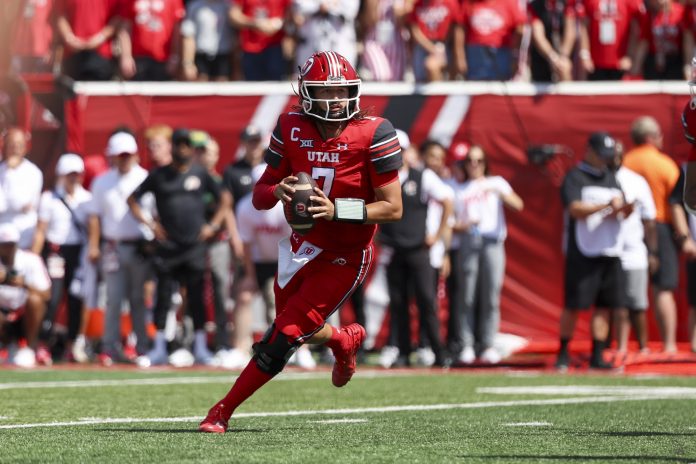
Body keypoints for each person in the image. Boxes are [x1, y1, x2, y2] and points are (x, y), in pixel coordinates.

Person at [199, 51, 403, 433]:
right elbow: (260, 196)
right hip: (301, 247)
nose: (337, 100)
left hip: (346, 252)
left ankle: (221, 411)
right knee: (294, 326)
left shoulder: (374, 132)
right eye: (327, 93)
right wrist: (278, 189)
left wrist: (336, 210)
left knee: (283, 336)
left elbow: (392, 208)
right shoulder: (291, 125)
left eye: (343, 91)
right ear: (307, 95)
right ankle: (342, 340)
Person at [128, 128, 231, 366]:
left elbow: (225, 198)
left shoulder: (200, 173)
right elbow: (133, 199)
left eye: (187, 145)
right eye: (179, 144)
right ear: (172, 147)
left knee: (196, 298)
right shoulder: (159, 175)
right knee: (163, 297)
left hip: (194, 246)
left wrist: (213, 226)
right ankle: (159, 348)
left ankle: (201, 347)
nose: (183, 149)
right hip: (167, 246)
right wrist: (151, 224)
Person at [556, 132, 629, 370]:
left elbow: (622, 207)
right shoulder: (575, 177)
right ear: (589, 151)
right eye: (601, 155)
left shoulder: (611, 177)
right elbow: (575, 208)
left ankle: (597, 354)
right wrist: (606, 206)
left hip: (610, 249)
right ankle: (563, 351)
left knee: (604, 305)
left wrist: (625, 208)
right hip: (584, 251)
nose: (605, 160)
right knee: (574, 304)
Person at [623, 116, 695, 353]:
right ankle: (669, 345)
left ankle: (624, 345)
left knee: (625, 289)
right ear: (650, 137)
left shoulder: (625, 162)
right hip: (660, 227)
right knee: (663, 288)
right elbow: (677, 201)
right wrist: (683, 235)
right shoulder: (664, 164)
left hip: (629, 228)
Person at [379, 137, 453, 368]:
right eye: (393, 149)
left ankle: (437, 351)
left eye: (400, 149)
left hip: (418, 249)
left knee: (426, 301)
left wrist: (437, 234)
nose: (397, 153)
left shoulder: (423, 176)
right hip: (393, 249)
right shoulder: (382, 178)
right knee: (398, 303)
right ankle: (403, 352)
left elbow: (447, 200)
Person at [452, 145, 523, 364]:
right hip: (468, 241)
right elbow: (450, 222)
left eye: (479, 160)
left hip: (492, 242)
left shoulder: (496, 182)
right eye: (470, 160)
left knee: (491, 294)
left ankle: (488, 343)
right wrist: (462, 226)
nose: (474, 164)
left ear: (485, 163)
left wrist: (499, 192)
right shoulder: (459, 188)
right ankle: (466, 344)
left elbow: (518, 205)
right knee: (467, 295)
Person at [87, 131, 151, 365]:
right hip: (112, 246)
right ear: (112, 156)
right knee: (113, 299)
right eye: (119, 155)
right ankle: (109, 346)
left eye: (127, 155)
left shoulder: (145, 177)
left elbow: (153, 213)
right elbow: (94, 217)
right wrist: (94, 245)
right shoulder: (102, 181)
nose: (124, 159)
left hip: (140, 247)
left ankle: (142, 346)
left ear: (134, 154)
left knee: (137, 299)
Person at [31, 154, 92, 365]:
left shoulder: (86, 199)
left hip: (78, 253)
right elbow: (41, 230)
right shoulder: (50, 198)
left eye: (77, 174)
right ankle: (42, 343)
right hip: (55, 252)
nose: (74, 179)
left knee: (77, 298)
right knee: (53, 298)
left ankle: (72, 343)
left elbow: (93, 229)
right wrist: (34, 257)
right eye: (70, 174)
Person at [609, 144, 657, 357]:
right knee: (615, 303)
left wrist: (653, 251)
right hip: (608, 249)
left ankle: (643, 347)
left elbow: (649, 219)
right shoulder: (595, 179)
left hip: (633, 249)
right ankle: (619, 347)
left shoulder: (635, 180)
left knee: (637, 303)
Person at [0, 223, 51, 368]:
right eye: (4, 245)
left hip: (24, 316)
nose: (7, 249)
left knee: (35, 300)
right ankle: (5, 346)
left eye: (11, 244)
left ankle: (28, 347)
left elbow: (46, 294)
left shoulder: (31, 260)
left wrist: (24, 284)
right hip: (2, 315)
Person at [117, 0, 186, 81]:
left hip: (164, 59)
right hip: (138, 59)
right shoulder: (131, 2)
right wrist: (126, 57)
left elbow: (177, 30)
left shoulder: (174, 1)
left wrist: (175, 57)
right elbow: (125, 28)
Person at [0, 127, 43, 250]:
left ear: (25, 148)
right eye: (11, 145)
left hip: (25, 237)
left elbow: (23, 203)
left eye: (19, 145)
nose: (15, 149)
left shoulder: (34, 172)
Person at [229, 0, 290, 81]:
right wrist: (255, 24)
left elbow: (290, 15)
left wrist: (277, 24)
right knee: (253, 88)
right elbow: (233, 15)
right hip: (250, 49)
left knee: (275, 87)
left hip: (274, 47)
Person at [528, 0, 577, 82]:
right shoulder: (534, 5)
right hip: (542, 56)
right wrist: (552, 57)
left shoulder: (567, 3)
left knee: (564, 68)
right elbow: (538, 35)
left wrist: (563, 57)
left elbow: (570, 31)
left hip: (563, 53)